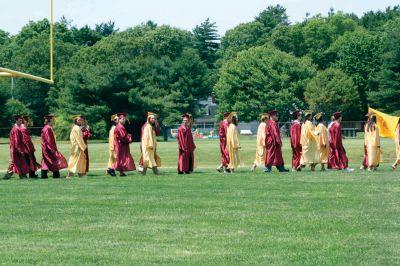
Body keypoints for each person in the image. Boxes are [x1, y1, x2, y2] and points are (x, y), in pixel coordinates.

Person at [3, 115, 30, 179]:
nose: (21, 122)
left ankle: (22, 175)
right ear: (16, 120)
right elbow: (16, 141)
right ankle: (8, 176)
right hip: (16, 149)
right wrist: (20, 150)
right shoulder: (16, 129)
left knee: (19, 162)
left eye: (22, 120)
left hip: (16, 149)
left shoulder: (17, 128)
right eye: (20, 120)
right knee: (16, 163)